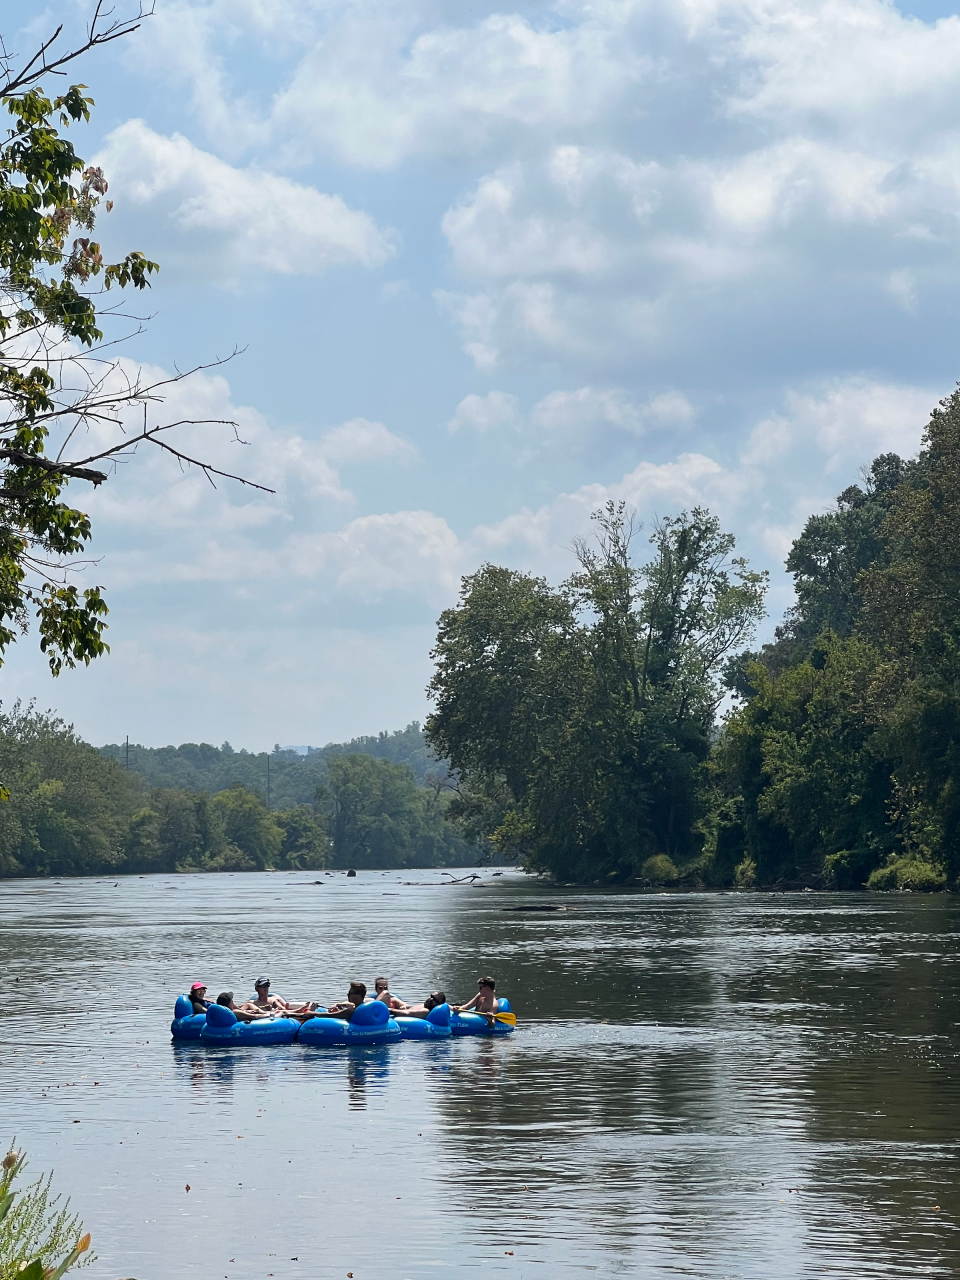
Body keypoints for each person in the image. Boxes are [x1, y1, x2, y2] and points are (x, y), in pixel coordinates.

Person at [290, 981, 367, 1024]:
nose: (348, 994)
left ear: (358, 995)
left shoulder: (351, 1011)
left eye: (350, 992)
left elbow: (330, 1015)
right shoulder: (364, 1006)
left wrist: (311, 1013)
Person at [250, 977, 315, 1015]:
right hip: (262, 1017)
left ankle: (302, 1011)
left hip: (276, 1016)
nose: (265, 988)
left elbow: (282, 1009)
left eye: (267, 986)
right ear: (257, 989)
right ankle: (300, 1011)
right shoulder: (252, 1003)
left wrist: (273, 1009)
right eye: (263, 986)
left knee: (280, 1011)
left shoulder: (273, 1000)